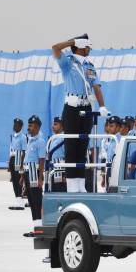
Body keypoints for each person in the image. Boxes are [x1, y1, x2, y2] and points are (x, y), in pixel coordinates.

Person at [52, 34, 109, 193]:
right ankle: (71, 184)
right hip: (72, 108)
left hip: (87, 108)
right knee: (71, 147)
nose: (89, 48)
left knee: (83, 147)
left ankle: (80, 183)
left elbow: (96, 86)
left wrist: (102, 105)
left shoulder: (90, 66)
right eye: (87, 45)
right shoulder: (68, 63)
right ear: (81, 46)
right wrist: (72, 42)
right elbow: (55, 48)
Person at [22, 115, 45, 237]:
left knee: (36, 201)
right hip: (27, 172)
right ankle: (36, 228)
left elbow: (41, 160)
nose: (29, 128)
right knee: (31, 201)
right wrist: (22, 176)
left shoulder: (40, 141)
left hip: (34, 173)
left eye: (31, 126)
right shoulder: (30, 140)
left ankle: (40, 229)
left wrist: (40, 177)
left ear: (36, 127)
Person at [8, 118, 27, 210]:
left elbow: (24, 151)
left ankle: (21, 202)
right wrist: (9, 163)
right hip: (13, 159)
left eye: (17, 125)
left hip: (19, 159)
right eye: (14, 124)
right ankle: (17, 200)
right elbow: (11, 150)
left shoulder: (23, 137)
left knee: (19, 180)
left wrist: (22, 165)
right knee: (14, 181)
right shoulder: (13, 136)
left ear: (21, 126)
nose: (15, 126)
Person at [50, 117, 66, 192]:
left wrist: (66, 174)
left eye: (56, 124)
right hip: (53, 169)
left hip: (61, 170)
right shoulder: (53, 138)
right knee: (54, 191)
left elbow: (67, 155)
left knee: (61, 191)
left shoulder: (64, 138)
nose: (53, 126)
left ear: (62, 126)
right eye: (53, 124)